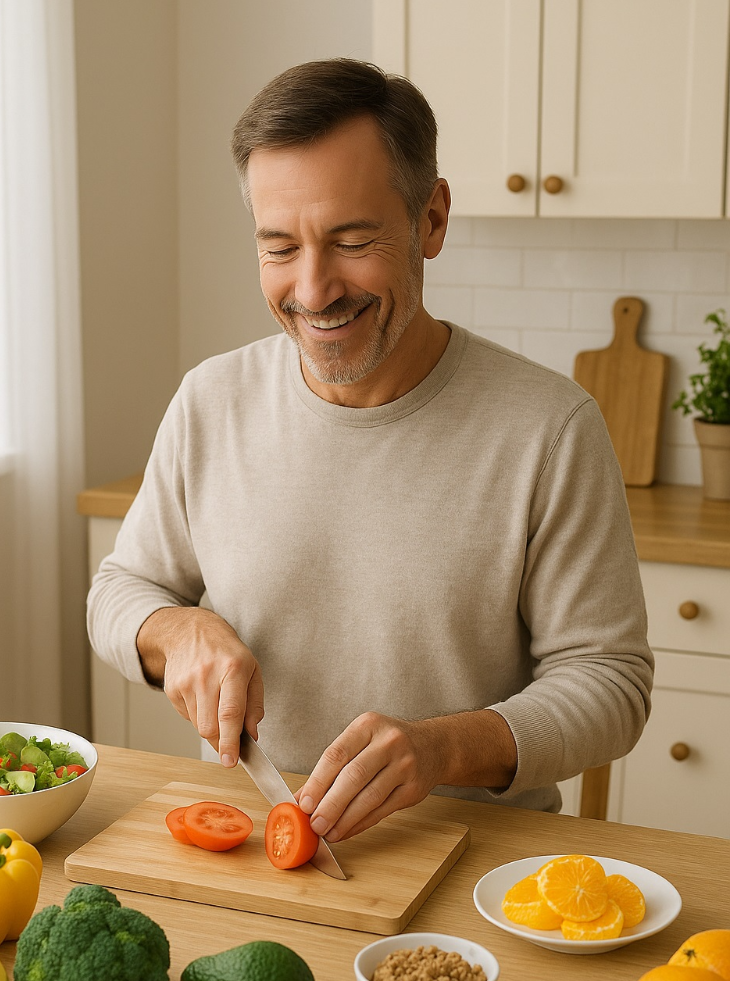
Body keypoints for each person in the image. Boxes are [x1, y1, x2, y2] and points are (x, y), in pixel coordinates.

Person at [87, 58, 653, 845]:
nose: (314, 290)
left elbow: (611, 683)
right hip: (259, 843)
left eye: (351, 241)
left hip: (478, 865)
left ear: (432, 220)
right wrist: (174, 633)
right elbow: (120, 588)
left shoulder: (550, 428)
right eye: (279, 247)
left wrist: (441, 747)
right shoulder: (210, 401)